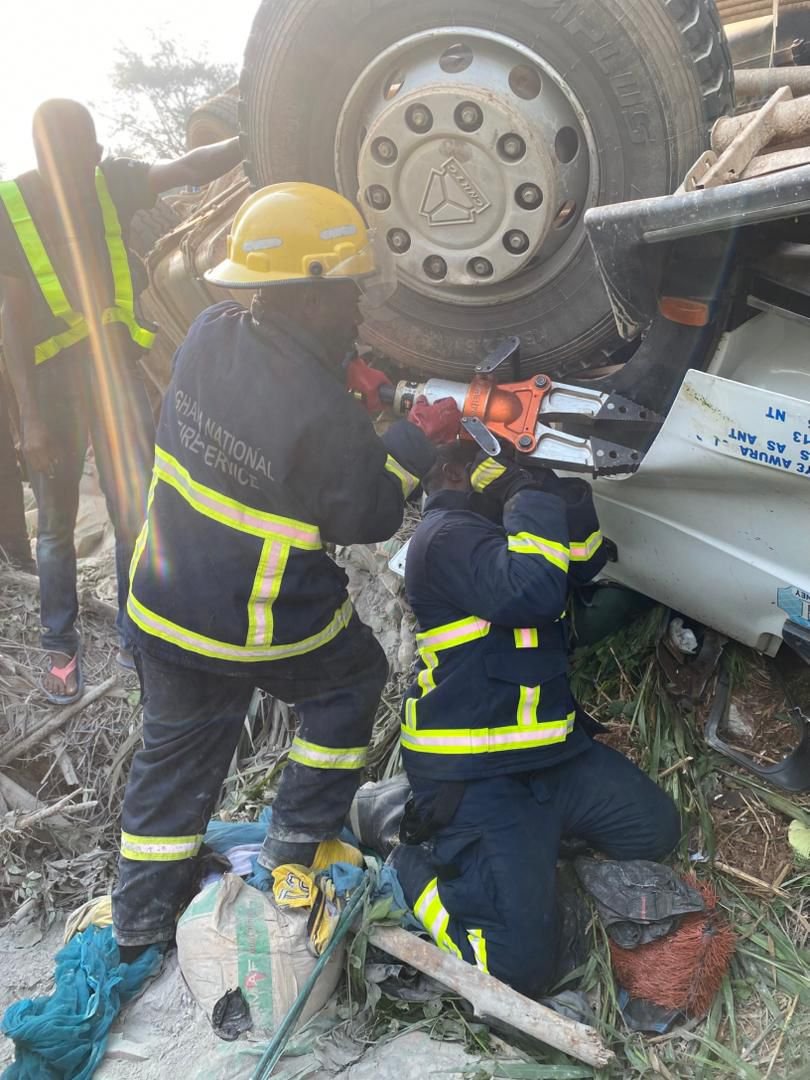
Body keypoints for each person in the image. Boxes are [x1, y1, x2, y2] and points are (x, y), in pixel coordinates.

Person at [111, 181, 460, 956]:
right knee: (349, 686)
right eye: (347, 293)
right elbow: (366, 513)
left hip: (161, 604)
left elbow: (273, 413)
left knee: (174, 758)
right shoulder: (321, 412)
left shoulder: (208, 332)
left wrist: (340, 376)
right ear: (303, 295)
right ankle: (293, 846)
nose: (361, 310)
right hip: (255, 619)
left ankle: (139, 923)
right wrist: (413, 441)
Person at [392, 441, 681, 998]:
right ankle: (409, 864)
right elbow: (533, 592)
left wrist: (561, 489)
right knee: (515, 971)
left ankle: (528, 848)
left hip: (553, 759)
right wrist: (526, 489)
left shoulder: (515, 539)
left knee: (655, 831)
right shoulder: (442, 537)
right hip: (477, 778)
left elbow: (588, 560)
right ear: (454, 472)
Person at [0, 98, 243, 703]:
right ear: (50, 151)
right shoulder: (13, 205)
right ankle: (60, 643)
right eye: (87, 143)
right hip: (53, 390)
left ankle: (138, 635)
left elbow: (189, 165)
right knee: (54, 526)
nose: (101, 152)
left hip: (116, 380)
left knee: (133, 510)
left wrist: (251, 137)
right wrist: (28, 419)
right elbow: (10, 317)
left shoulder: (110, 182)